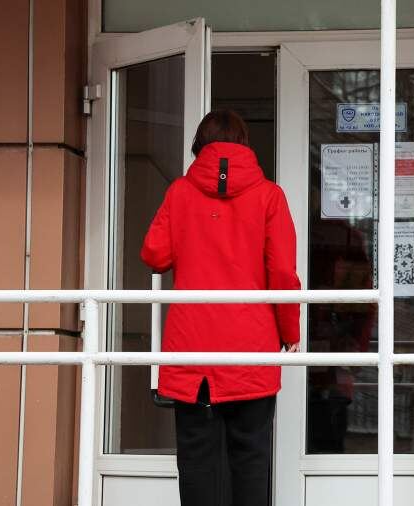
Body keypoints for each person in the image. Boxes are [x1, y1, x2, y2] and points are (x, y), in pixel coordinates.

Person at [140, 109, 301, 506]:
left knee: (197, 459)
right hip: (251, 349)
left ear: (199, 146)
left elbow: (155, 254)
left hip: (191, 349)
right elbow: (282, 272)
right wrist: (290, 331)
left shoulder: (179, 192)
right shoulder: (270, 196)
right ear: (244, 145)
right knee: (251, 458)